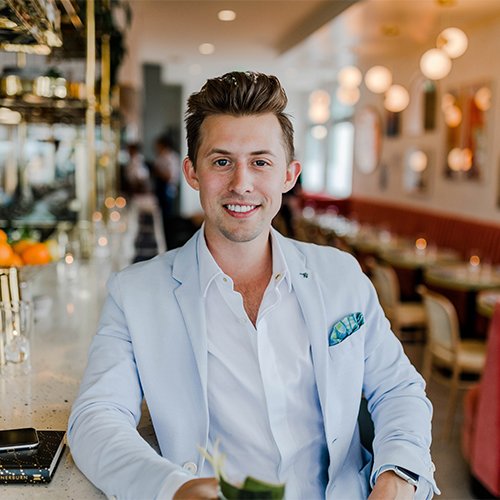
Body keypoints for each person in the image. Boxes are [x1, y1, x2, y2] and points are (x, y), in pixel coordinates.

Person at [68, 71, 439, 500]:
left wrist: (397, 478)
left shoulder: (341, 275)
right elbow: (95, 418)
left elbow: (397, 388)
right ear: (192, 172)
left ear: (289, 175)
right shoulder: (134, 294)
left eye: (261, 162)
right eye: (221, 161)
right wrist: (174, 489)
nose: (241, 183)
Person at [152, 133, 181, 247]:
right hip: (162, 188)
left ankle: (167, 243)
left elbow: (169, 176)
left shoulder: (170, 157)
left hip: (166, 189)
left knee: (167, 217)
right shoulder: (162, 156)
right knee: (161, 215)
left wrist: (157, 171)